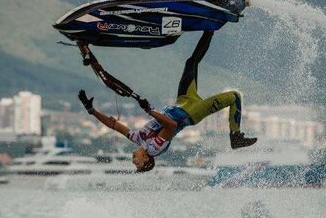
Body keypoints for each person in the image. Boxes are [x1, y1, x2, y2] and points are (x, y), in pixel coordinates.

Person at [78, 31, 257, 172]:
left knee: (191, 63)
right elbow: (170, 126)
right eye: (137, 164)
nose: (133, 161)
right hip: (191, 113)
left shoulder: (138, 139)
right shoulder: (155, 149)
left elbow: (114, 125)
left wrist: (91, 111)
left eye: (135, 163)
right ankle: (235, 137)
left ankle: (210, 29)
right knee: (234, 96)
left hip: (183, 101)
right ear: (146, 159)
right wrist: (150, 111)